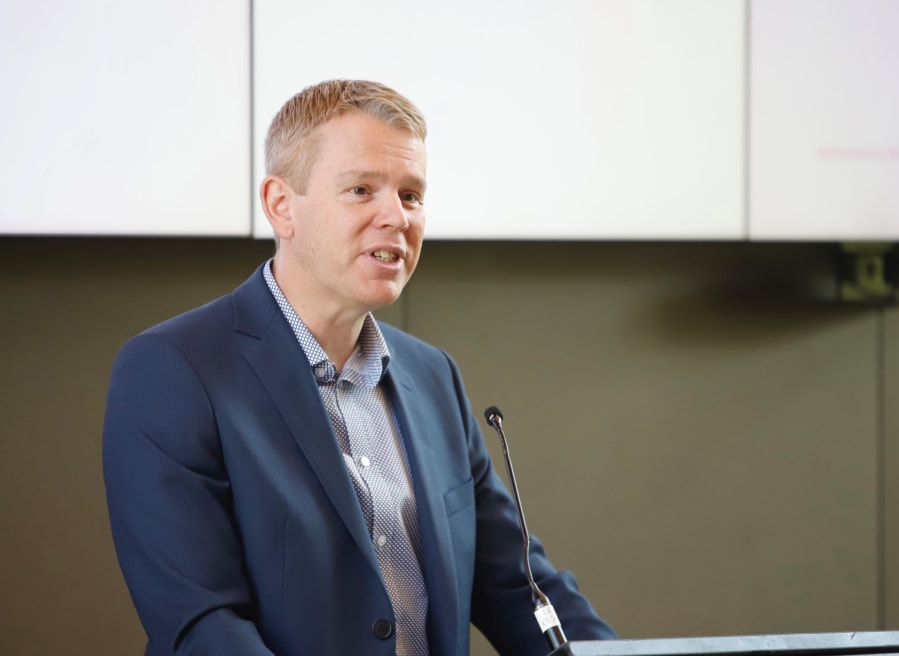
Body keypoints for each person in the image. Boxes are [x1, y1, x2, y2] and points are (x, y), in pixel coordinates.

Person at [102, 79, 615, 656]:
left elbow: (521, 588)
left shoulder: (433, 377)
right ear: (280, 205)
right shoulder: (173, 369)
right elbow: (201, 623)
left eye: (412, 195)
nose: (395, 217)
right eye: (361, 189)